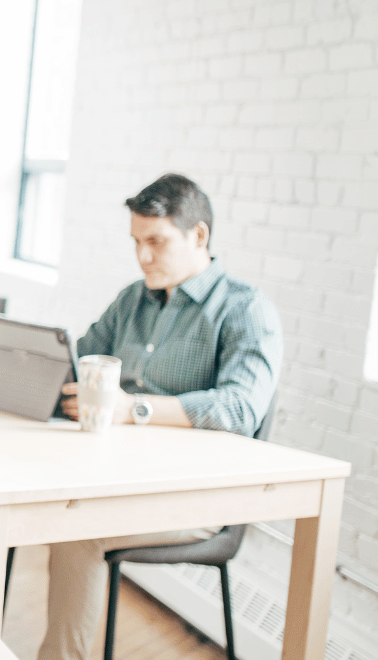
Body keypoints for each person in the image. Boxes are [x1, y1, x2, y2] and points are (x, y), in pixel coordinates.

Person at [41, 173, 282, 660]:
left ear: (199, 236)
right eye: (136, 242)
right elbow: (80, 358)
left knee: (75, 529)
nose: (143, 256)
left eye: (156, 242)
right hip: (117, 475)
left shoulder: (245, 308)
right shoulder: (134, 298)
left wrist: (136, 410)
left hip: (196, 497)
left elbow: (239, 408)